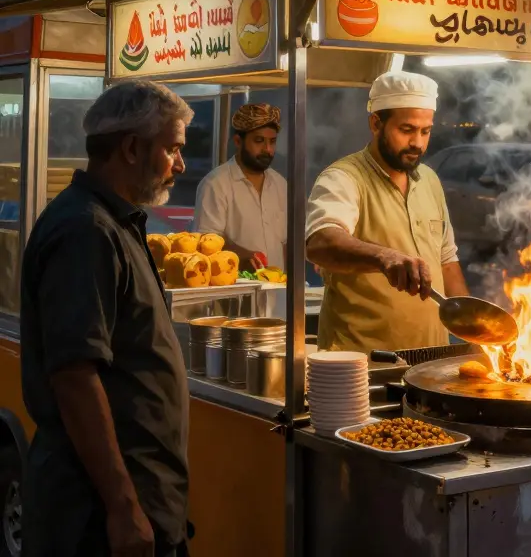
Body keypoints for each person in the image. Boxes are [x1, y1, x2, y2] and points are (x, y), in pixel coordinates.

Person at [21, 80, 193, 556]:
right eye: (173, 149)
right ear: (132, 148)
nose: (180, 164)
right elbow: (75, 376)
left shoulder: (115, 222)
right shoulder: (87, 231)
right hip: (95, 515)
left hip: (139, 497)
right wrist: (122, 505)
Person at [305, 69, 469, 353]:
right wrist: (384, 257)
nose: (418, 143)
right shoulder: (343, 178)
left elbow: (447, 260)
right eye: (406, 130)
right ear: (376, 123)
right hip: (362, 364)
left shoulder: (429, 179)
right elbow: (320, 243)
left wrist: (475, 329)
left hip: (431, 361)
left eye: (425, 131)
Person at [192, 103, 287, 271]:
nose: (268, 149)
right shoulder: (215, 184)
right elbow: (206, 242)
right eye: (259, 141)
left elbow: (286, 243)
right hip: (234, 286)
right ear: (238, 141)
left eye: (272, 142)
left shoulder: (280, 184)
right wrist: (242, 257)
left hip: (278, 286)